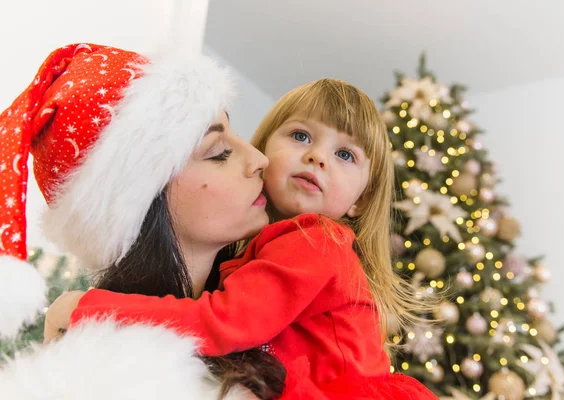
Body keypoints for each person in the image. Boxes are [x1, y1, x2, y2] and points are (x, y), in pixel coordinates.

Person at [48, 78, 437, 399]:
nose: (318, 157)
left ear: (361, 201)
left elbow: (224, 322)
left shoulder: (317, 241)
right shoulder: (263, 248)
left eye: (345, 155)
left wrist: (90, 308)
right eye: (301, 136)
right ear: (264, 149)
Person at [0, 42, 285, 399]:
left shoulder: (274, 315)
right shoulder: (98, 374)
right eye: (219, 153)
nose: (259, 158)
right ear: (142, 204)